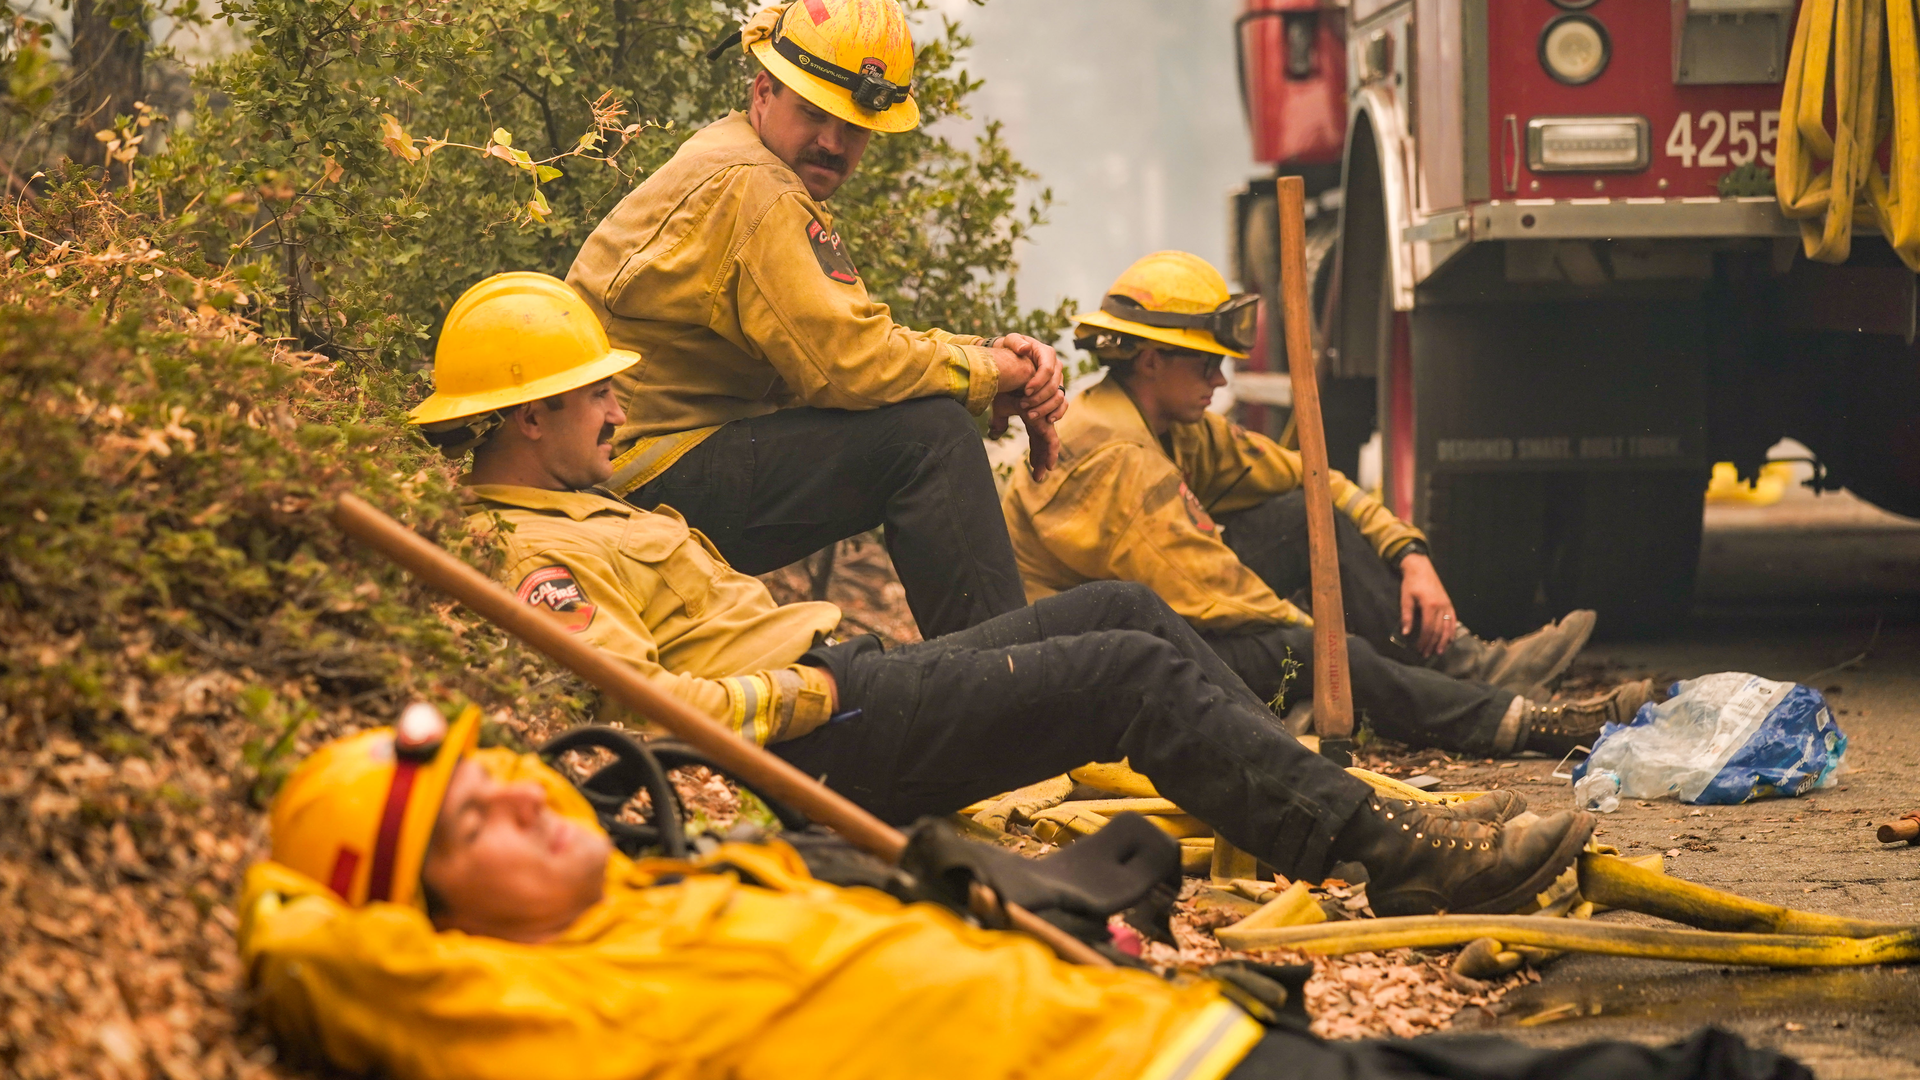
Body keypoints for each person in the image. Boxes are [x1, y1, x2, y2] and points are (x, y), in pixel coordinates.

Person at [409, 271, 1592, 918]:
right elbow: (652, 703)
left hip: (858, 681)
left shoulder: (596, 506)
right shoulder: (530, 559)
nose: (621, 410)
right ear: (527, 415)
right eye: (595, 396)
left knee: (1123, 614)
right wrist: (808, 691)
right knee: (1129, 671)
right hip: (838, 731)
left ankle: (1353, 811)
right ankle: (1388, 850)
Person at [237, 706, 1811, 1080]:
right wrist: (304, 881)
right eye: (467, 831)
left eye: (503, 768)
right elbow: (325, 956)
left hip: (1169, 1037)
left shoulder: (659, 898)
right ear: (420, 922)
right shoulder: (534, 1007)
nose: (523, 790)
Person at [1000, 252, 1632, 758]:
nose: (1221, 383)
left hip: (1168, 610)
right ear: (1150, 358)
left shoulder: (1175, 425)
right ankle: (1514, 721)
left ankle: (1461, 667)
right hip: (1101, 662)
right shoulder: (1119, 461)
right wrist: (1344, 657)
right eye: (1206, 366)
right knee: (1328, 650)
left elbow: (1313, 481)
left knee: (1310, 523)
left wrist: (1409, 554)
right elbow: (1218, 594)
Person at [564, 0, 1064, 639]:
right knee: (929, 439)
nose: (832, 142)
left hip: (618, 464)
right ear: (763, 90)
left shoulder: (734, 157)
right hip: (635, 479)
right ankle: (1013, 685)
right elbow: (852, 366)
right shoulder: (759, 189)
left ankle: (1003, 679)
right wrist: (997, 369)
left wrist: (986, 354)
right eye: (814, 114)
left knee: (922, 422)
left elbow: (838, 344)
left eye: (852, 127)